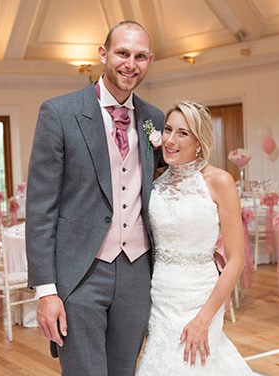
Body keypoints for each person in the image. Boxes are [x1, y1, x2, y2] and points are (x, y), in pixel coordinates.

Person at [25, 20, 164, 376]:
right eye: (122, 53)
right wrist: (46, 291)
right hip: (80, 273)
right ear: (103, 54)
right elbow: (40, 208)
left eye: (140, 56)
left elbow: (169, 179)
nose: (130, 64)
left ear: (150, 60)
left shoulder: (154, 119)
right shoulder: (59, 113)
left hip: (136, 272)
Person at [136, 101, 253, 375]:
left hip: (200, 297)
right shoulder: (155, 182)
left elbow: (236, 261)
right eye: (167, 130)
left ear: (199, 141)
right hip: (161, 296)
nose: (170, 140)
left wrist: (203, 318)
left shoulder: (219, 181)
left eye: (182, 133)